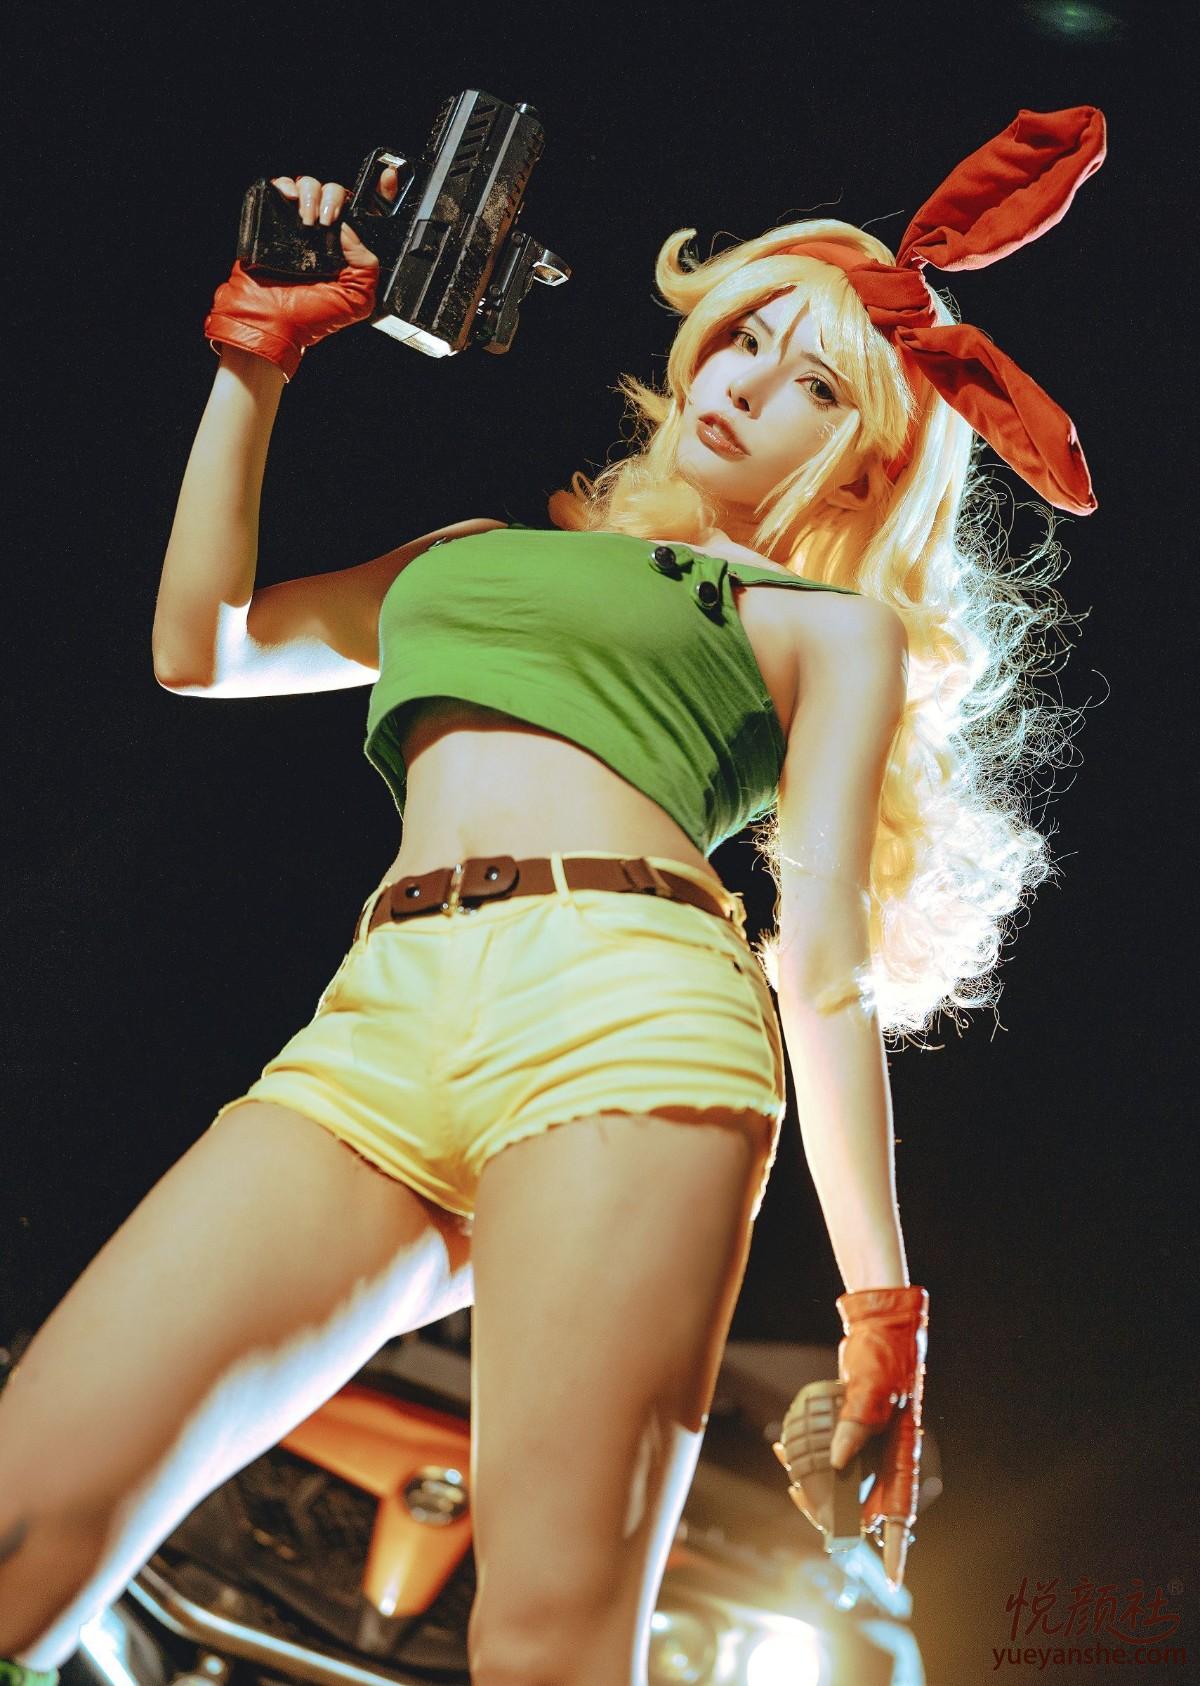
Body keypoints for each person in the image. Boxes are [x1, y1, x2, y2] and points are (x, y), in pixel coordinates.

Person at [0, 105, 1104, 1686]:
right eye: (747, 338)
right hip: (379, 1016)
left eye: (815, 387)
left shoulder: (817, 623)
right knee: (21, 1523)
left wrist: (883, 1309)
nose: (749, 385)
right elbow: (203, 646)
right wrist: (258, 351)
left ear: (862, 458)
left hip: (631, 1008)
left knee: (547, 1643)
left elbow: (824, 962)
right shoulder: (471, 552)